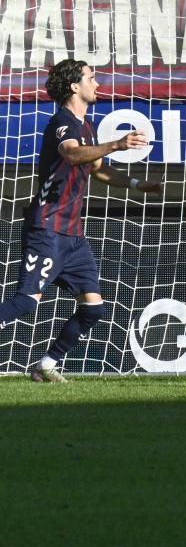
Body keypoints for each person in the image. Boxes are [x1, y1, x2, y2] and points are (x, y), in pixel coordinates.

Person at [0, 58, 159, 382]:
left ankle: (46, 364)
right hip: (47, 228)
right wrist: (116, 143)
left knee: (93, 308)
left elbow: (98, 168)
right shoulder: (63, 122)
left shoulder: (86, 127)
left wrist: (135, 184)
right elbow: (71, 154)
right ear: (75, 86)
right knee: (27, 301)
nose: (97, 84)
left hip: (73, 235)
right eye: (92, 77)